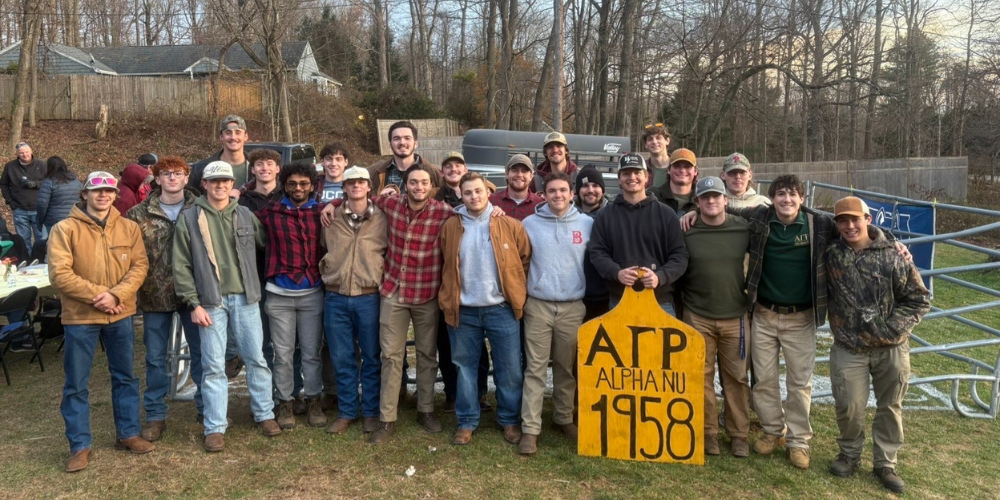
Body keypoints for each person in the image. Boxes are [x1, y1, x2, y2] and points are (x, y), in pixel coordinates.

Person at [323, 164, 454, 444]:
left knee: (427, 355)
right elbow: (358, 198)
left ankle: (426, 409)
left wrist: (496, 209)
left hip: (427, 293)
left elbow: (472, 211)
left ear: (432, 186)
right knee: (390, 356)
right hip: (393, 291)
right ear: (405, 184)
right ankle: (386, 418)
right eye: (413, 182)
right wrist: (332, 203)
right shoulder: (390, 206)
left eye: (424, 182)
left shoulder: (444, 212)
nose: (419, 187)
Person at [172, 161, 282, 452]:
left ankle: (265, 414)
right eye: (214, 181)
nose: (220, 186)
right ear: (204, 185)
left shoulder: (245, 215)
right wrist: (193, 304)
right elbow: (181, 265)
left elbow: (269, 244)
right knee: (213, 366)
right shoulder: (190, 218)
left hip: (246, 299)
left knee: (256, 359)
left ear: (232, 184)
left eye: (225, 181)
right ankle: (215, 426)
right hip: (211, 302)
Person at [48, 171, 152, 472]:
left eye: (109, 190)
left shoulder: (129, 228)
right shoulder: (64, 229)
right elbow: (60, 274)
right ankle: (79, 445)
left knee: (125, 377)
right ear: (85, 194)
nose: (103, 195)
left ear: (115, 195)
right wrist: (100, 296)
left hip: (120, 314)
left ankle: (128, 433)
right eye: (96, 190)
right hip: (81, 317)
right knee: (76, 383)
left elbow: (139, 266)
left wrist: (116, 295)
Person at [826, 196, 930, 494]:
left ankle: (885, 463)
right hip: (849, 346)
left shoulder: (893, 254)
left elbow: (919, 299)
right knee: (848, 405)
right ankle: (849, 454)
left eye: (855, 219)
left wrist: (890, 330)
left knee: (890, 406)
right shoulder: (830, 253)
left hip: (891, 348)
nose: (849, 226)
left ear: (868, 219)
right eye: (843, 221)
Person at [439, 172, 530, 446]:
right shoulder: (450, 226)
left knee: (509, 367)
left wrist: (515, 290)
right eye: (467, 192)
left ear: (487, 192)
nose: (474, 196)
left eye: (478, 191)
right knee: (464, 367)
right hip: (464, 310)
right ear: (461, 195)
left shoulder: (509, 224)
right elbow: (444, 262)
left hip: (501, 308)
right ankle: (467, 420)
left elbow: (524, 259)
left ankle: (509, 419)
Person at [126, 156, 203, 440]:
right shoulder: (137, 214)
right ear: (157, 179)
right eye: (166, 173)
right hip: (154, 295)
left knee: (201, 354)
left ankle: (207, 408)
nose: (172, 177)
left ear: (186, 178)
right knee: (155, 358)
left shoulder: (201, 208)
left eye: (178, 173)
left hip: (193, 295)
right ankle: (155, 415)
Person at [518, 172, 591, 454]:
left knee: (565, 367)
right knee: (535, 368)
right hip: (538, 304)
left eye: (562, 190)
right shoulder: (530, 224)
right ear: (543, 195)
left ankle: (563, 418)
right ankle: (530, 428)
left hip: (572, 306)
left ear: (572, 194)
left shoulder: (587, 224)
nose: (557, 195)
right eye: (552, 191)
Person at [679, 177, 752, 458]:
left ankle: (739, 434)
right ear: (697, 202)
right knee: (701, 376)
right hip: (697, 314)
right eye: (705, 197)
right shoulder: (687, 230)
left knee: (737, 378)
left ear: (725, 200)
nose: (711, 201)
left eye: (716, 196)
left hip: (735, 315)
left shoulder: (743, 228)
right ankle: (708, 431)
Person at [257, 163, 327, 429]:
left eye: (304, 183)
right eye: (292, 183)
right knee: (283, 354)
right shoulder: (271, 212)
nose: (298, 188)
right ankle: (285, 401)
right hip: (279, 295)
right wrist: (238, 191)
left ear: (312, 185)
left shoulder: (322, 212)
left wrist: (334, 204)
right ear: (284, 186)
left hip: (312, 292)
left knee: (311, 352)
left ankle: (313, 400)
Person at [321, 166, 387, 435]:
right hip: (335, 295)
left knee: (371, 356)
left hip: (369, 296)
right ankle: (347, 411)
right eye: (351, 182)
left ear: (369, 186)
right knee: (342, 356)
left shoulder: (383, 217)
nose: (356, 186)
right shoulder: (329, 216)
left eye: (361, 182)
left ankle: (371, 411)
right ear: (344, 188)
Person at [589, 153, 689, 316]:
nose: (632, 177)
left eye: (637, 172)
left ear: (646, 177)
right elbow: (597, 253)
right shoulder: (605, 215)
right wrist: (617, 273)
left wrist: (660, 277)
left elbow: (680, 256)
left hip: (660, 302)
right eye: (626, 173)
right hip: (620, 301)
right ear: (619, 179)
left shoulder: (666, 214)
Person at [433, 150, 493, 413]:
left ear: (465, 169)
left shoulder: (485, 196)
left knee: (478, 349)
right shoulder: (434, 196)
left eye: (458, 165)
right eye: (448, 166)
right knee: (448, 346)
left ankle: (479, 394)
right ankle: (452, 394)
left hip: (480, 289)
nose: (453, 169)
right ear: (442, 172)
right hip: (446, 284)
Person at [574, 165, 611, 321]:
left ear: (602, 189)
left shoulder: (613, 214)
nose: (590, 190)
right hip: (575, 297)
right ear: (577, 190)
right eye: (585, 186)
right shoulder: (567, 215)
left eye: (595, 185)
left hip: (607, 295)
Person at [368, 120, 441, 194]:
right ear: (390, 145)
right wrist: (380, 199)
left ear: (415, 144)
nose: (402, 142)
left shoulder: (438, 173)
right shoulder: (372, 173)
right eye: (396, 138)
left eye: (407, 138)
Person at [189, 115, 252, 195]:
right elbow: (190, 199)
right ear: (221, 137)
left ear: (246, 136)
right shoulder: (200, 169)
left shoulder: (258, 168)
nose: (233, 137)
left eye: (238, 132)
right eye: (228, 133)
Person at [1, 141, 47, 247]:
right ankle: (27, 257)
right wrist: (9, 200)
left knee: (42, 239)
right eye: (21, 153)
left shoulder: (42, 165)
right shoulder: (10, 166)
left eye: (26, 152)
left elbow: (50, 182)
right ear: (17, 154)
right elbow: (3, 184)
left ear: (31, 151)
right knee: (23, 240)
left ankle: (40, 257)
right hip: (19, 209)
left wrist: (35, 184)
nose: (25, 155)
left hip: (39, 208)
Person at [35, 156, 81, 234]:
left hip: (54, 221)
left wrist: (40, 220)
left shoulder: (49, 182)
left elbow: (42, 204)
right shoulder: (76, 182)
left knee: (55, 241)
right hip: (74, 218)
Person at [489, 154, 543, 221]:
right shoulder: (491, 201)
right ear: (507, 174)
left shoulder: (540, 205)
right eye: (514, 170)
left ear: (531, 176)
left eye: (524, 171)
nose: (519, 175)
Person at [655, 148, 698, 215]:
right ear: (669, 170)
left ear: (695, 171)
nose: (682, 170)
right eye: (677, 166)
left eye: (687, 167)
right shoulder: (655, 197)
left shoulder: (702, 198)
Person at [641, 124, 672, 189]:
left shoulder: (678, 166)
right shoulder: (641, 168)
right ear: (646, 144)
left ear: (667, 141)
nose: (654, 142)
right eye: (650, 139)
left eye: (658, 138)